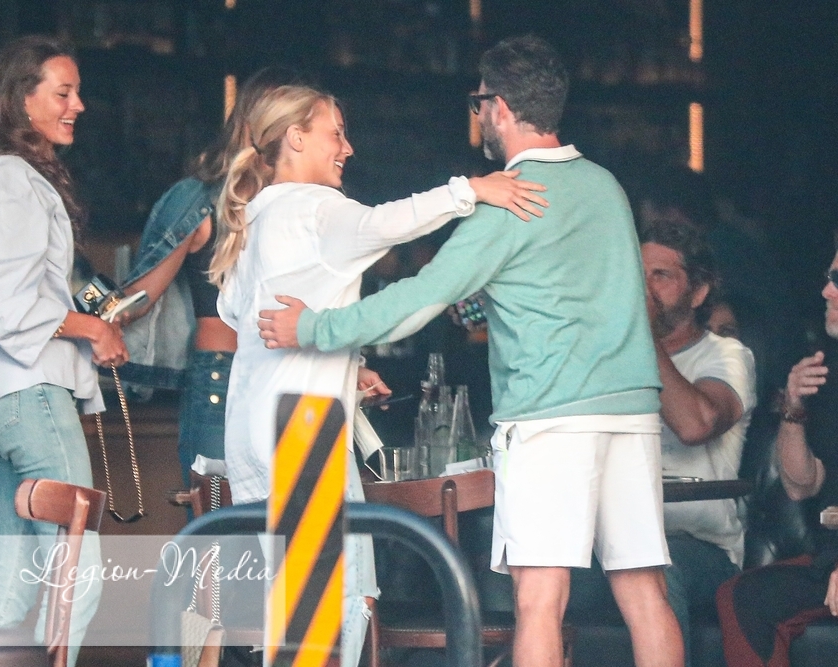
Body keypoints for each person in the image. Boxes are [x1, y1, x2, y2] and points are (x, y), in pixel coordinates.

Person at [258, 36, 685, 667]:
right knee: (645, 592)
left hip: (551, 415)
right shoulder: (606, 187)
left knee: (539, 599)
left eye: (478, 103)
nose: (478, 115)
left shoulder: (511, 199)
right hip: (631, 408)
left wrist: (313, 328)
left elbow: (420, 297)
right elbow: (583, 292)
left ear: (500, 107)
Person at [211, 83, 548, 665]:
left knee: (289, 612)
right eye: (335, 133)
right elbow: (391, 223)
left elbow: (239, 316)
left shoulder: (260, 215)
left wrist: (346, 365)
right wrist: (472, 190)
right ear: (296, 138)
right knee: (324, 617)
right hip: (302, 429)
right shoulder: (315, 207)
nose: (347, 148)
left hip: (252, 429)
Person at [0, 36, 128, 666]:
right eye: (64, 92)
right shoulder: (13, 181)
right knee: (79, 571)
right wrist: (91, 329)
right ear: (22, 99)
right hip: (31, 394)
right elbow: (7, 302)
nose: (78, 105)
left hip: (5, 398)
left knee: (14, 575)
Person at [119, 67, 303, 488]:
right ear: (254, 123)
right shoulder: (202, 197)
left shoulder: (305, 203)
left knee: (292, 519)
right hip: (224, 374)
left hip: (291, 377)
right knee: (221, 521)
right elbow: (140, 295)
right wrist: (80, 321)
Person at [640, 220, 756, 666]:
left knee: (653, 568)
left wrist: (641, 333)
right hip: (615, 539)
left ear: (699, 292)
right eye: (638, 274)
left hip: (702, 549)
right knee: (520, 567)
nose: (644, 288)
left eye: (661, 276)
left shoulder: (726, 356)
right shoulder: (606, 356)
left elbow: (695, 424)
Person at [715, 247, 838, 667]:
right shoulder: (827, 370)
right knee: (743, 597)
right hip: (829, 556)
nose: (826, 291)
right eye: (828, 277)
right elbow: (801, 485)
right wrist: (793, 408)